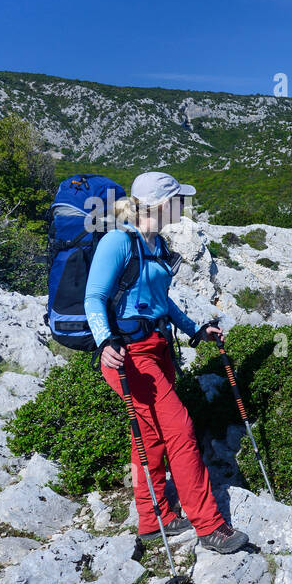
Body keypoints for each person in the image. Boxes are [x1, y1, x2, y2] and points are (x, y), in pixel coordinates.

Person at [85, 171, 249, 554]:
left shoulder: (155, 244)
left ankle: (154, 518)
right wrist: (105, 341)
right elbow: (94, 298)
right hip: (129, 357)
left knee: (151, 437)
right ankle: (210, 526)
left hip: (158, 350)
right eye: (179, 198)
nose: (184, 204)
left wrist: (195, 330)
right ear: (160, 204)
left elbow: (162, 302)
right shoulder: (118, 241)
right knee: (181, 430)